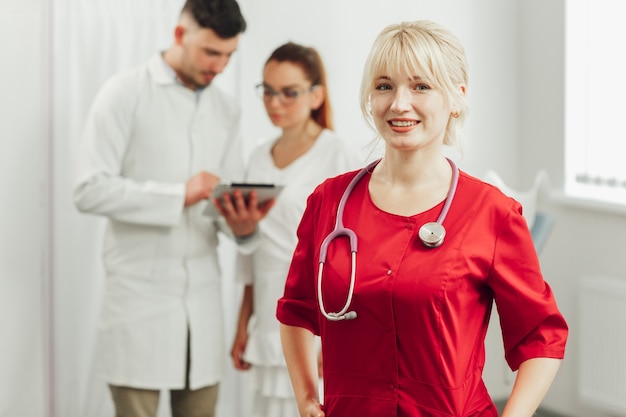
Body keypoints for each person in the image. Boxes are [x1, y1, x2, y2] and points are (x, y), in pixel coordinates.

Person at [277, 20, 568, 417]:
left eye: (421, 86)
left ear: (456, 98)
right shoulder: (329, 203)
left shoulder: (491, 212)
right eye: (384, 86)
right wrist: (307, 399)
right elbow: (296, 310)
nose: (399, 104)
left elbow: (542, 336)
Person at [73, 1, 272, 416]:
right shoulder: (124, 93)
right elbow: (89, 189)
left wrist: (243, 226)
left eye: (229, 56)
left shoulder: (226, 109)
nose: (219, 66)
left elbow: (223, 204)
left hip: (201, 309)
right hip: (137, 306)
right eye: (210, 52)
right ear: (180, 35)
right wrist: (178, 194)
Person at [229, 41, 361, 417]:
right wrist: (244, 323)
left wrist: (332, 339)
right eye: (267, 91)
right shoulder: (257, 157)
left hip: (316, 319)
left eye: (288, 93)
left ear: (316, 95)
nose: (275, 102)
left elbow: (349, 258)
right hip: (267, 314)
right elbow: (255, 251)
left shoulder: (338, 157)